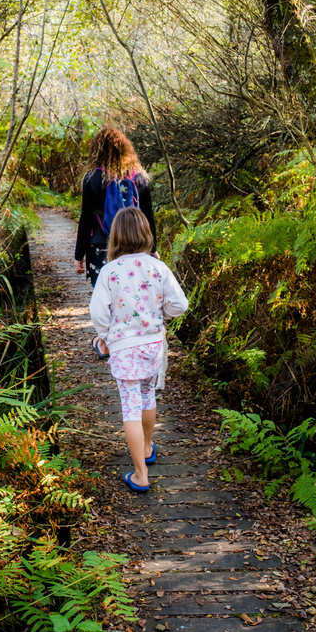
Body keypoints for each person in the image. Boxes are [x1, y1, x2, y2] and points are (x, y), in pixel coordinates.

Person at [89, 207, 188, 493]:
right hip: (153, 345)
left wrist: (106, 336)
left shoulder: (109, 271)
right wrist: (161, 314)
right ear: (146, 233)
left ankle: (141, 474)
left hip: (125, 348)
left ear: (116, 236)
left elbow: (98, 313)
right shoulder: (158, 267)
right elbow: (180, 305)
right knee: (147, 395)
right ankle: (146, 447)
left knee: (130, 405)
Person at [74, 127, 157, 298]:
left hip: (100, 244)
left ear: (97, 151)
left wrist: (78, 255)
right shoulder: (139, 178)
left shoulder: (92, 179)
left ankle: (107, 325)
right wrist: (153, 248)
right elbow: (148, 216)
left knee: (104, 296)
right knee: (132, 294)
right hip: (135, 245)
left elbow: (86, 219)